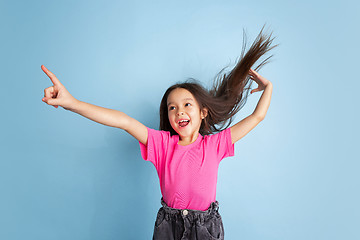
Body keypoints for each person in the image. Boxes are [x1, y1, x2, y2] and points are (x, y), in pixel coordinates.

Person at [41, 26, 277, 240]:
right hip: (169, 225)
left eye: (187, 105)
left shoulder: (214, 145)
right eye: (171, 107)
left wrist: (268, 88)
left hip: (205, 226)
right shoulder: (162, 144)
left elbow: (257, 116)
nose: (179, 112)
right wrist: (71, 103)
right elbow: (123, 120)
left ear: (203, 112)